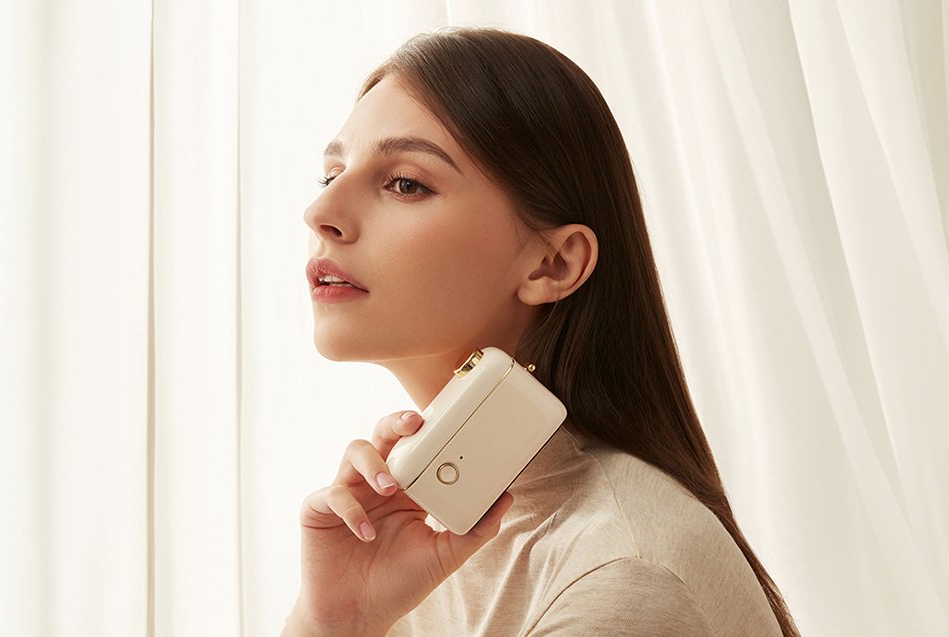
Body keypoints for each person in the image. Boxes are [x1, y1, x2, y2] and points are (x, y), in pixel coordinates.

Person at [283, 27, 801, 637]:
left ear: (552, 264)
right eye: (330, 175)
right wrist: (332, 619)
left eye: (406, 183)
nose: (320, 213)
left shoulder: (621, 573)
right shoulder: (411, 539)